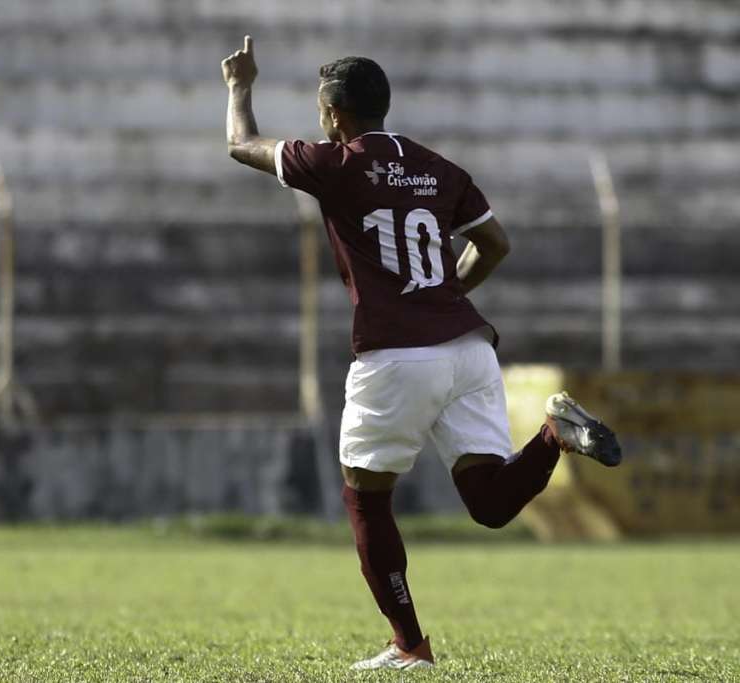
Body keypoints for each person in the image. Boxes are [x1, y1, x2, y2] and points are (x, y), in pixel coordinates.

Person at [220, 36, 622, 670]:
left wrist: (240, 86)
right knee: (490, 503)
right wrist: (445, 292)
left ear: (334, 114)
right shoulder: (438, 167)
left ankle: (410, 644)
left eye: (322, 110)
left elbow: (241, 144)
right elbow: (495, 243)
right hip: (467, 347)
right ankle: (555, 435)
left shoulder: (334, 162)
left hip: (395, 357)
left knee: (365, 498)